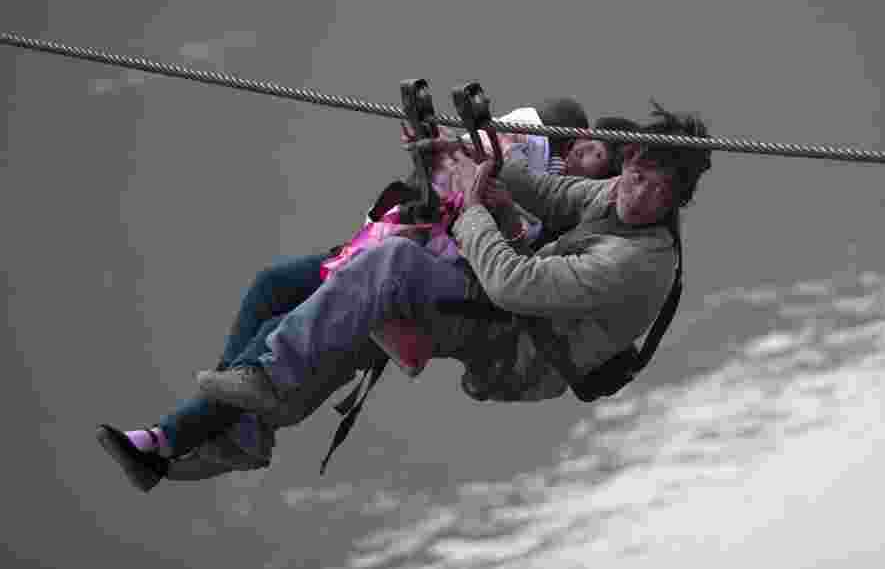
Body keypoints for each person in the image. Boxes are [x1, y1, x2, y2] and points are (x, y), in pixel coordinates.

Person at [94, 99, 633, 490]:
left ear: (605, 174)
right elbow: (442, 195)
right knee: (274, 285)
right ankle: (212, 435)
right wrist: (436, 159)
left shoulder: (580, 213)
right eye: (579, 143)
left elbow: (519, 261)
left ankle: (164, 440)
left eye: (593, 153)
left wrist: (497, 204)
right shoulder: (532, 158)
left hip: (438, 282)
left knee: (278, 342)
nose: (581, 153)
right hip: (403, 244)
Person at [182, 102, 711, 471]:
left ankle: (269, 382)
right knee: (369, 306)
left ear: (676, 202)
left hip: (527, 354)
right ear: (632, 164)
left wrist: (473, 208)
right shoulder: (618, 192)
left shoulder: (637, 259)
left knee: (392, 267)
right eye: (638, 177)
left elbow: (513, 283)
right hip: (523, 318)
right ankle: (252, 428)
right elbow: (551, 193)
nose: (639, 197)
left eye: (658, 192)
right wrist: (459, 155)